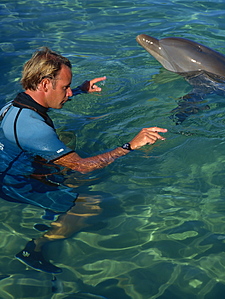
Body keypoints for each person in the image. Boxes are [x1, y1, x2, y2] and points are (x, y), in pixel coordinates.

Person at [0, 47, 167, 273]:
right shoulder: (33, 129)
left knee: (68, 141)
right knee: (92, 204)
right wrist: (130, 145)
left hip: (18, 164)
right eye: (65, 87)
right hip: (14, 184)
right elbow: (83, 167)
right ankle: (35, 247)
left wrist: (79, 90)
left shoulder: (15, 105)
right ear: (45, 84)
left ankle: (57, 203)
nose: (68, 93)